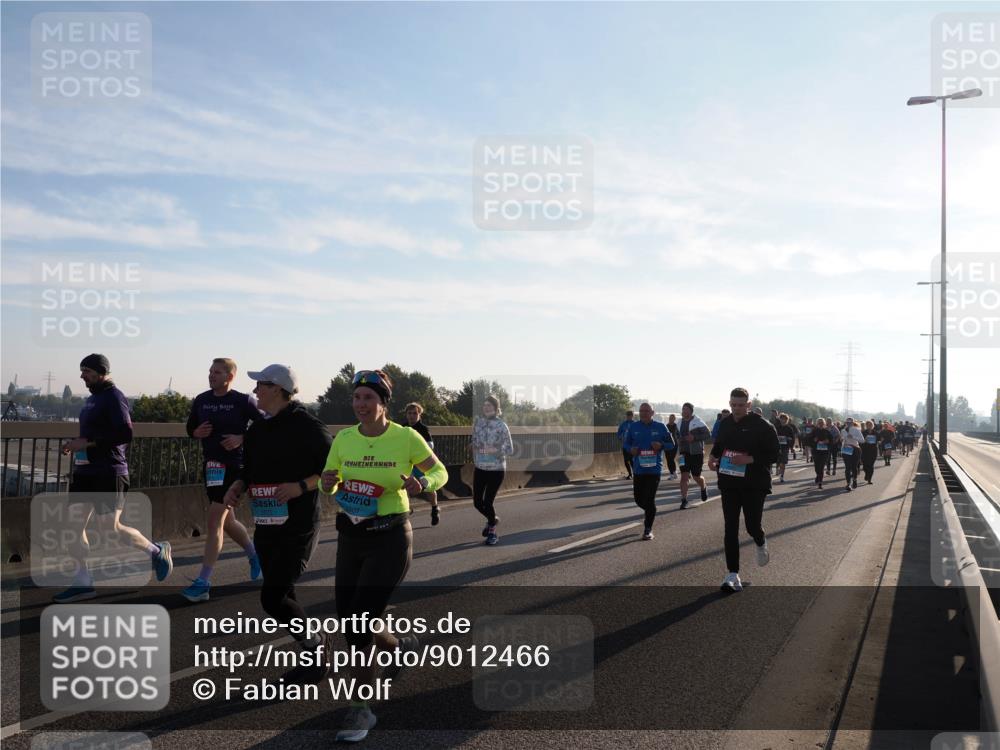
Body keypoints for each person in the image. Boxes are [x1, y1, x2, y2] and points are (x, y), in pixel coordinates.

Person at [319, 369, 448, 743]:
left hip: (391, 536)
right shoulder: (343, 438)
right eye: (357, 398)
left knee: (359, 624)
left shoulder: (405, 438)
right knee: (353, 621)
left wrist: (421, 482)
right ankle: (399, 646)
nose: (361, 405)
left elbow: (439, 472)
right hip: (351, 536)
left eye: (368, 399)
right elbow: (333, 478)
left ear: (383, 403)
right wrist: (331, 482)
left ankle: (361, 709)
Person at [223, 364, 333, 678]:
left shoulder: (308, 426)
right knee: (284, 595)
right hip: (266, 524)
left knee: (272, 598)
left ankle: (316, 644)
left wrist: (300, 486)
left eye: (260, 385)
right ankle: (313, 658)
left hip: (299, 525)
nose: (255, 390)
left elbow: (332, 471)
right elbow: (252, 468)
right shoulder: (258, 428)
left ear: (277, 389)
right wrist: (239, 485)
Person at [54, 354, 173, 603]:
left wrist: (88, 442)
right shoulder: (92, 399)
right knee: (72, 526)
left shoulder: (114, 396)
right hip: (85, 471)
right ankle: (83, 581)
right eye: (81, 370)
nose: (82, 375)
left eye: (86, 370)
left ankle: (156, 551)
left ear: (101, 371)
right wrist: (74, 445)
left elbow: (125, 433)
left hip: (109, 471)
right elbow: (89, 436)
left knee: (110, 528)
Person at [182, 358, 264, 602]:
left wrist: (241, 437)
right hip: (212, 467)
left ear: (229, 377)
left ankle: (203, 581)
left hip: (236, 468)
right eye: (209, 372)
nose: (211, 376)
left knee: (214, 519)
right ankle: (254, 554)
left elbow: (266, 427)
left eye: (216, 372)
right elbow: (190, 428)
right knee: (227, 521)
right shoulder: (202, 400)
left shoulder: (242, 400)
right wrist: (195, 433)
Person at [708, 388, 778, 593]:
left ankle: (760, 539)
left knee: (751, 525)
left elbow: (774, 453)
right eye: (733, 405)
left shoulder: (762, 426)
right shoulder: (725, 424)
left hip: (754, 484)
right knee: (730, 527)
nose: (736, 409)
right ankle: (732, 575)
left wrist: (750, 459)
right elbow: (719, 446)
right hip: (729, 482)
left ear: (748, 405)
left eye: (740, 405)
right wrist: (712, 458)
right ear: (729, 403)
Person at [623, 403, 670, 539]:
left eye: (646, 411)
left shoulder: (661, 427)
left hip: (654, 470)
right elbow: (626, 443)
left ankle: (648, 529)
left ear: (652, 412)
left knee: (649, 499)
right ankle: (651, 511)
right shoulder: (633, 426)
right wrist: (630, 449)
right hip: (638, 470)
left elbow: (672, 444)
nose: (643, 413)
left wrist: (661, 445)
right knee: (638, 499)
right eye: (641, 411)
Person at [471, 395, 513, 545]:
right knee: (477, 502)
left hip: (496, 469)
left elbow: (509, 448)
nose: (486, 407)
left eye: (490, 405)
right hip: (480, 468)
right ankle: (492, 519)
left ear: (496, 408)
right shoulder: (478, 424)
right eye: (485, 405)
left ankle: (492, 531)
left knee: (488, 502)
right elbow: (474, 443)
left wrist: (493, 450)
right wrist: (475, 448)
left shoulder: (502, 426)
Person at [404, 402, 441, 525]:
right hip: (406, 463)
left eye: (415, 413)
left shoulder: (423, 429)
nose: (412, 416)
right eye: (409, 413)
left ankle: (435, 508)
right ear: (406, 414)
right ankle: (406, 509)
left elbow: (430, 446)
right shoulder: (402, 427)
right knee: (404, 486)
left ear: (419, 415)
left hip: (420, 464)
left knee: (428, 488)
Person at [678, 402, 712, 509]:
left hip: (696, 453)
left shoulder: (698, 422)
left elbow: (708, 435)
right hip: (683, 453)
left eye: (686, 409)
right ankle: (684, 500)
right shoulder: (679, 423)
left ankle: (703, 486)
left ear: (691, 411)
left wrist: (694, 438)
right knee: (684, 476)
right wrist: (679, 439)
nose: (684, 411)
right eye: (683, 409)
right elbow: (675, 436)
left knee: (696, 476)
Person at [807, 418, 834, 489]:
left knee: (821, 467)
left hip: (825, 452)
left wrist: (828, 442)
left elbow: (831, 441)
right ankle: (818, 476)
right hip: (816, 451)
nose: (820, 424)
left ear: (824, 424)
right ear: (817, 424)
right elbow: (808, 440)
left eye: (822, 423)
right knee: (816, 467)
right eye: (819, 423)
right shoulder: (814, 431)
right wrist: (814, 440)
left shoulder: (827, 431)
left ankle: (820, 482)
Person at [840, 417, 864, 491]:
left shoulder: (856, 430)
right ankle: (848, 484)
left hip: (855, 449)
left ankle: (854, 480)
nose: (849, 424)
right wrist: (842, 440)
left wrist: (853, 437)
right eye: (847, 422)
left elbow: (862, 440)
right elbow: (841, 439)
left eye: (850, 422)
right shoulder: (843, 430)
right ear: (846, 423)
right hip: (846, 450)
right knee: (847, 467)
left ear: (853, 423)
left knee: (854, 467)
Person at [774, 413, 796, 483]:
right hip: (777, 447)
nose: (783, 420)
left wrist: (791, 446)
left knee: (783, 462)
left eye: (784, 419)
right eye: (782, 419)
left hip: (785, 447)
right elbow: (772, 436)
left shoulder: (789, 428)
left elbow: (793, 438)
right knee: (778, 460)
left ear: (787, 420)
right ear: (780, 419)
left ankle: (782, 476)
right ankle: (777, 467)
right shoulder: (776, 427)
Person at [617, 411, 635, 479]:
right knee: (625, 460)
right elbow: (619, 433)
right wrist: (620, 437)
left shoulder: (635, 424)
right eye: (628, 416)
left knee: (631, 460)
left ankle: (635, 473)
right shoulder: (623, 424)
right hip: (625, 445)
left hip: (632, 446)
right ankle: (630, 474)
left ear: (632, 416)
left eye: (630, 416)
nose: (629, 417)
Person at [860, 420, 879, 484]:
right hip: (865, 451)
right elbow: (860, 442)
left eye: (870, 425)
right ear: (866, 426)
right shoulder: (863, 433)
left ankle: (869, 479)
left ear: (872, 425)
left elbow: (879, 440)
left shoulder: (875, 433)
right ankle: (866, 474)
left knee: (871, 465)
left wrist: (880, 440)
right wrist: (864, 441)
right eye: (868, 425)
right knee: (865, 466)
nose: (869, 426)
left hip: (873, 451)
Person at [664, 413, 680, 479]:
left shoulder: (676, 426)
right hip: (666, 444)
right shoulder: (666, 426)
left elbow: (679, 435)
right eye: (670, 418)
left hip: (674, 445)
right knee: (668, 459)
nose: (671, 419)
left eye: (673, 418)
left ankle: (673, 472)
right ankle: (672, 473)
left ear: (674, 419)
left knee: (671, 458)